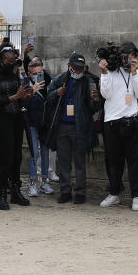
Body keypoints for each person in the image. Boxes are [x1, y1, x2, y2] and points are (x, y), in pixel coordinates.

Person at [44, 52, 101, 204]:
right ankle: (65, 191)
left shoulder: (89, 81)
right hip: (62, 127)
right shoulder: (61, 79)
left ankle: (80, 192)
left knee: (80, 162)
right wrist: (57, 92)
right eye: (75, 67)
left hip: (80, 128)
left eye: (80, 68)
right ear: (69, 66)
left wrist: (96, 100)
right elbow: (48, 97)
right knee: (63, 161)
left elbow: (94, 107)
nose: (78, 71)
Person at [0, 43, 32, 210]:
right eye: (9, 61)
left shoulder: (14, 76)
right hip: (2, 120)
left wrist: (24, 96)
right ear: (2, 61)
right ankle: (2, 193)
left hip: (16, 119)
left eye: (14, 60)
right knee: (5, 157)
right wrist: (13, 97)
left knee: (17, 157)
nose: (12, 63)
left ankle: (15, 191)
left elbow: (19, 97)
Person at [98, 42, 138, 211]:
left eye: (131, 54)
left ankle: (137, 196)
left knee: (133, 161)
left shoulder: (137, 73)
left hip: (130, 121)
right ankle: (114, 193)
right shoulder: (111, 72)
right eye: (125, 55)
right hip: (111, 121)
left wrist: (134, 73)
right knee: (114, 161)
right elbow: (105, 94)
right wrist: (104, 73)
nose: (128, 58)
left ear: (135, 55)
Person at [22, 59, 53, 197]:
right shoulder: (24, 85)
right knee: (34, 152)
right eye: (35, 74)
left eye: (40, 73)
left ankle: (45, 182)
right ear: (29, 74)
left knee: (46, 152)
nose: (38, 76)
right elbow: (22, 105)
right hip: (31, 123)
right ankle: (33, 183)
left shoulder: (48, 84)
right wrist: (33, 91)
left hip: (45, 123)